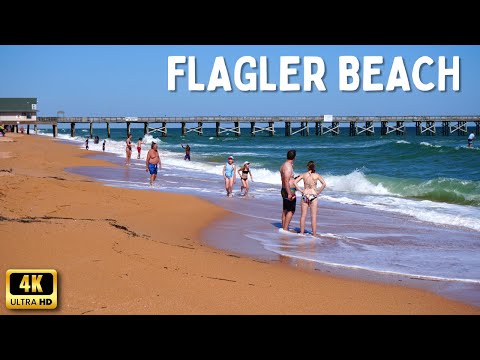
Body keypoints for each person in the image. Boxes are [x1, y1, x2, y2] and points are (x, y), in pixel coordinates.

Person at [294, 161, 327, 236]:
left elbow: (295, 182)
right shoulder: (317, 175)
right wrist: (318, 192)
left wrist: (301, 190)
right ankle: (314, 234)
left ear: (307, 167)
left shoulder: (304, 175)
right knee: (313, 216)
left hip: (305, 194)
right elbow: (324, 184)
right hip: (313, 195)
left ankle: (302, 233)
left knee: (303, 215)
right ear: (314, 167)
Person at [279, 149, 297, 231]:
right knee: (291, 210)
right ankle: (285, 229)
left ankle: (284, 227)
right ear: (294, 157)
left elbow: (285, 179)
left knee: (285, 209)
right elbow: (286, 180)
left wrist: (294, 178)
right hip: (289, 190)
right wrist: (289, 193)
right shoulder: (288, 166)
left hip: (284, 189)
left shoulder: (283, 165)